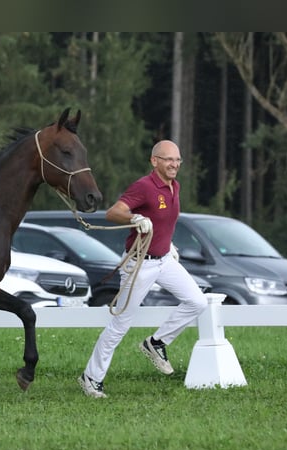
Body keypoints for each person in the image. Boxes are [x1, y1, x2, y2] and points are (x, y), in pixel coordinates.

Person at [78, 140, 207, 398]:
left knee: (197, 302)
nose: (174, 165)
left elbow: (164, 221)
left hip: (164, 260)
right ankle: (91, 378)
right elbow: (113, 213)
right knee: (121, 324)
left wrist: (168, 244)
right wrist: (134, 218)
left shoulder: (175, 186)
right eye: (169, 159)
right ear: (154, 161)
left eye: (178, 160)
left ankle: (156, 343)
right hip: (139, 264)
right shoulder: (144, 186)